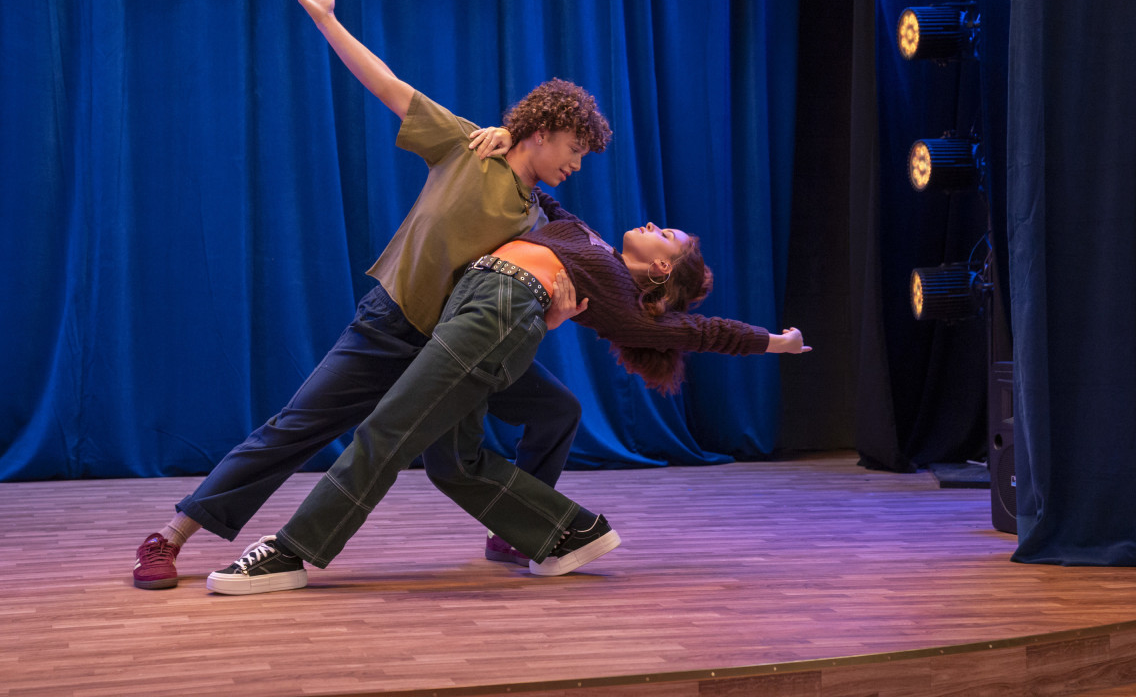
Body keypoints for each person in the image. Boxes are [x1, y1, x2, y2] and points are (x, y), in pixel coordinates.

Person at [132, 0, 611, 589]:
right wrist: (328, 21)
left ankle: (517, 527)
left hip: (459, 347)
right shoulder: (468, 145)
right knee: (297, 427)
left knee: (559, 409)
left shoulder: (536, 216)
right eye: (575, 149)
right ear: (543, 132)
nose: (578, 163)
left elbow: (523, 298)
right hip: (392, 326)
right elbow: (386, 84)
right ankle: (170, 537)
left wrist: (552, 317)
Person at [205, 211, 812, 594]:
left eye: (667, 235)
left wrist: (774, 343)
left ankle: (290, 553)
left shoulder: (623, 300)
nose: (655, 223)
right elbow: (530, 183)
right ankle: (563, 532)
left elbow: (699, 332)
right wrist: (500, 136)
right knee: (453, 463)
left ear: (659, 268)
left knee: (387, 432)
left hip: (498, 314)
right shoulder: (585, 234)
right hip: (473, 308)